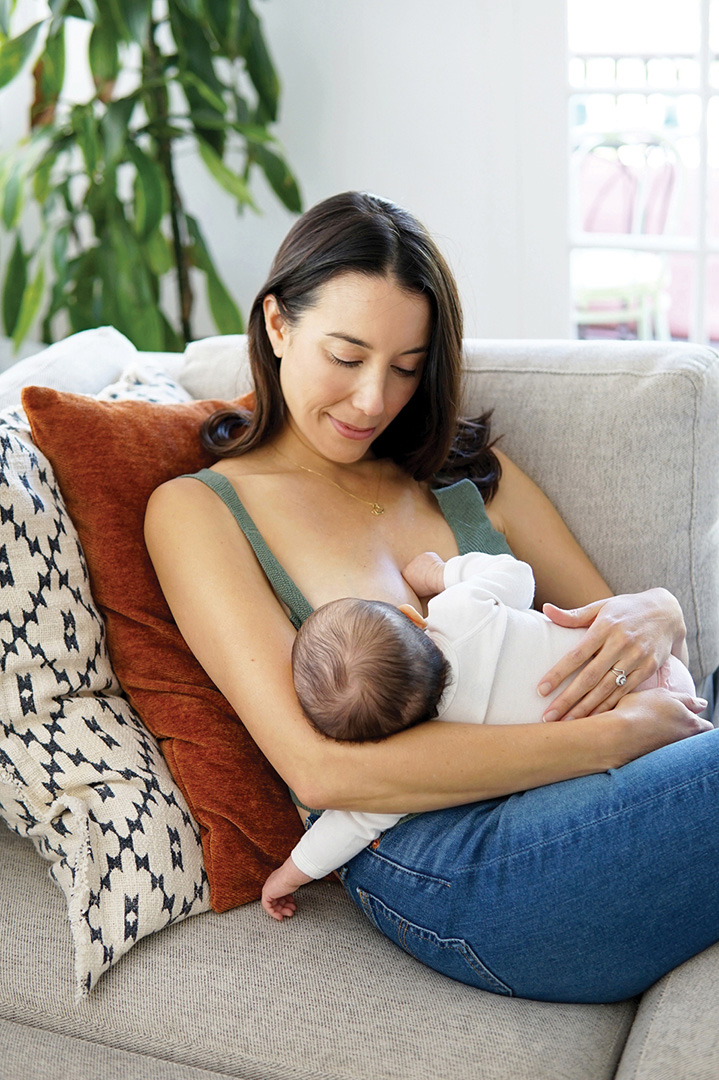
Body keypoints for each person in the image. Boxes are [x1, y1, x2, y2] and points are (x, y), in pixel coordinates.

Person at [144, 190, 717, 1004]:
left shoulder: (469, 473)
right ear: (276, 325)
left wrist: (660, 609)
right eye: (346, 358)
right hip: (444, 859)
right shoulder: (200, 511)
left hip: (598, 798)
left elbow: (618, 643)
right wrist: (611, 739)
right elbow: (320, 771)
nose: (373, 401)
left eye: (406, 368)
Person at [261, 549, 697, 912]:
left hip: (651, 733)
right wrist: (441, 573)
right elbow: (517, 575)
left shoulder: (422, 756)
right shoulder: (459, 611)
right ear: (413, 617)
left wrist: (288, 875)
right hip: (649, 665)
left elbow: (351, 822)